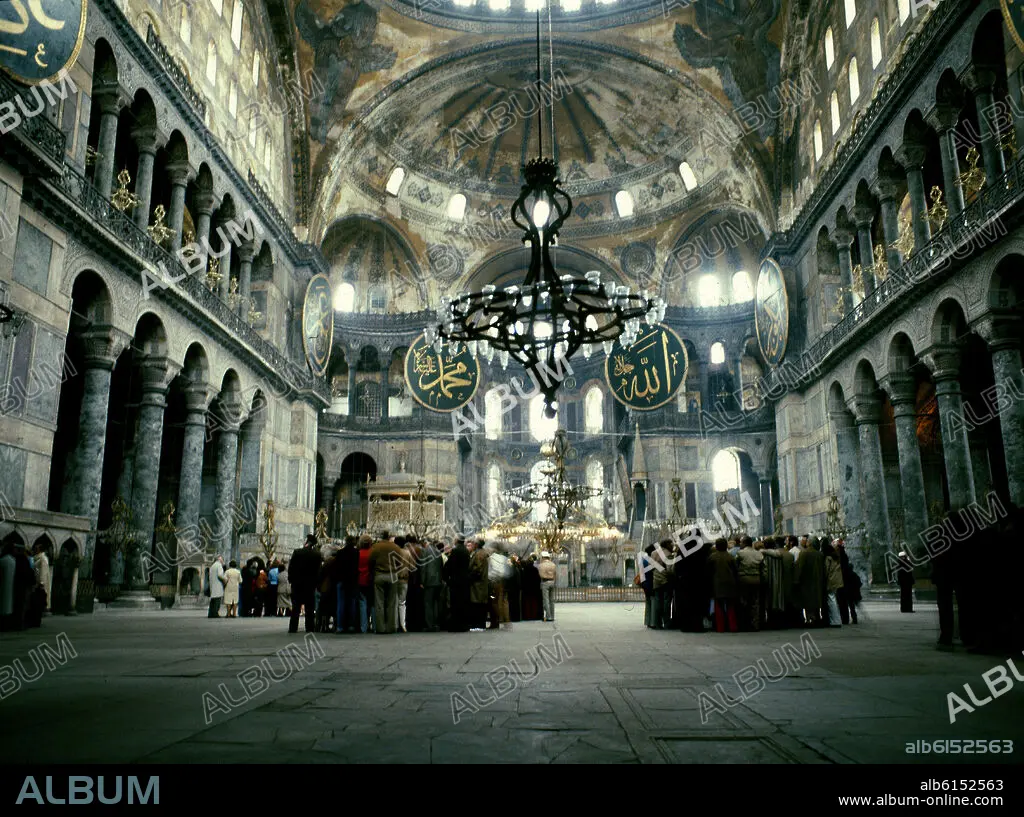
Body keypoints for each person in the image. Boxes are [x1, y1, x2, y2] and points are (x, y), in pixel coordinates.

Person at [369, 531, 407, 634]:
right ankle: (391, 627)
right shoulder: (395, 547)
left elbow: (370, 561)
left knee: (379, 602)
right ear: (389, 537)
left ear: (381, 536)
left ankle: (380, 628)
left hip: (379, 575)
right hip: (392, 575)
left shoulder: (376, 547)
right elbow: (400, 562)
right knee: (392, 602)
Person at [288, 534, 323, 634]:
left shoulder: (297, 552)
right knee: (309, 607)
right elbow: (318, 571)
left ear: (307, 541)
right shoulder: (317, 555)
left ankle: (293, 627)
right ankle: (310, 627)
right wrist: (317, 583)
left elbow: (291, 568)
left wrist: (291, 580)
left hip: (297, 583)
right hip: (310, 584)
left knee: (296, 607)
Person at [706, 538, 739, 633]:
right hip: (730, 583)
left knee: (718, 606)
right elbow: (735, 571)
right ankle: (732, 626)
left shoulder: (712, 557)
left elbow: (708, 572)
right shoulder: (730, 556)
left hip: (717, 584)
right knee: (730, 606)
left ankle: (720, 627)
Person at [735, 536, 764, 631]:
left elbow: (736, 566)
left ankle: (744, 624)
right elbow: (763, 568)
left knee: (744, 601)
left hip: (744, 579)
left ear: (744, 543)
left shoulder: (740, 553)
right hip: (756, 579)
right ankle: (755, 624)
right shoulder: (758, 553)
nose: (740, 544)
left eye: (741, 542)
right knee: (755, 602)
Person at [794, 537, 824, 626]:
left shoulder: (804, 553)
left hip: (806, 581)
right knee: (816, 600)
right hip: (818, 580)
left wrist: (796, 580)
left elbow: (800, 567)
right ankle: (817, 617)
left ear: (809, 543)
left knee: (807, 601)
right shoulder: (820, 554)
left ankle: (809, 619)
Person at [444, 535, 471, 632]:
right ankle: (464, 625)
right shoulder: (466, 551)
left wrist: (445, 576)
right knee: (463, 603)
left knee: (455, 603)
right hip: (464, 580)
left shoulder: (456, 551)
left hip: (456, 580)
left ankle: (456, 625)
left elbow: (450, 565)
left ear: (456, 540)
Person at [336, 536, 360, 633]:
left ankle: (340, 626)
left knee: (341, 603)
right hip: (352, 580)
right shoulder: (356, 553)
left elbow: (337, 567)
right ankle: (351, 625)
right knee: (352, 603)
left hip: (342, 579)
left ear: (345, 542)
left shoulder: (340, 552)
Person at [468, 539, 492, 631]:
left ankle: (477, 625)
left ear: (477, 545)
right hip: (482, 583)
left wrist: (470, 577)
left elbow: (477, 569)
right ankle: (481, 624)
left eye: (474, 543)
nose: (473, 545)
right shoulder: (483, 553)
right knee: (481, 604)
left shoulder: (478, 554)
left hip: (477, 584)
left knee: (477, 605)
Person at [420, 539, 443, 632]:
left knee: (428, 603)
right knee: (435, 603)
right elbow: (441, 567)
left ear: (427, 543)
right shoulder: (438, 552)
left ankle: (429, 625)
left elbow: (423, 567)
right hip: (438, 581)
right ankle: (436, 623)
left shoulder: (425, 551)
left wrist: (422, 581)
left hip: (429, 581)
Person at [836, 540, 861, 625]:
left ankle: (845, 619)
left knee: (843, 602)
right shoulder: (845, 558)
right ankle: (853, 617)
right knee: (850, 603)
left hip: (843, 582)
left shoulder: (839, 558)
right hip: (848, 583)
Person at [487, 543, 511, 629]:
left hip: (495, 582)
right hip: (504, 581)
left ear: (494, 549)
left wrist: (489, 578)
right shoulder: (504, 558)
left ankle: (497, 620)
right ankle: (506, 621)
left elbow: (491, 571)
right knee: (504, 601)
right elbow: (508, 571)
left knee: (495, 602)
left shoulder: (491, 558)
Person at [650, 542, 674, 629]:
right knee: (666, 601)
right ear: (667, 545)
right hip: (665, 580)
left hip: (656, 579)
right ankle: (666, 622)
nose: (672, 546)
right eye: (671, 544)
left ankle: (657, 623)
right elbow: (670, 570)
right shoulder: (668, 554)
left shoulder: (653, 553)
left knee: (657, 601)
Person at [822, 539, 844, 627]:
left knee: (831, 600)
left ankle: (835, 621)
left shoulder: (828, 558)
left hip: (831, 581)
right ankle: (837, 620)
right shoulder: (836, 557)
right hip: (837, 581)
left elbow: (826, 570)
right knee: (834, 599)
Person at [356, 534, 374, 633]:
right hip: (370, 580)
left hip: (360, 580)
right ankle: (374, 626)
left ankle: (364, 627)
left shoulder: (358, 554)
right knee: (372, 604)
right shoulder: (372, 553)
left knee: (362, 604)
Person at [394, 536, 412, 633]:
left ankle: (395, 624)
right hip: (404, 579)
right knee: (402, 603)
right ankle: (403, 625)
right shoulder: (407, 553)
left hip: (394, 579)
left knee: (394, 602)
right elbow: (410, 566)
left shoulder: (393, 552)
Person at [520, 553, 543, 621]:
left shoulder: (524, 570)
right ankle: (533, 615)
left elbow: (523, 579)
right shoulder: (535, 570)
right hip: (534, 589)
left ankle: (527, 615)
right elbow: (538, 580)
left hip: (526, 589)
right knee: (533, 603)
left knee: (527, 603)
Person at [537, 550, 557, 623]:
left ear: (542, 557)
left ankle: (548, 616)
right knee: (552, 600)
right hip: (552, 581)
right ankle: (552, 616)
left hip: (545, 582)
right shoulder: (553, 564)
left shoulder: (541, 565)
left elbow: (540, 575)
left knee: (546, 600)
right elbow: (555, 574)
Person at [638, 544, 656, 628]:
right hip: (651, 582)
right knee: (653, 602)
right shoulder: (651, 561)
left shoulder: (643, 560)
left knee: (648, 602)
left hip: (645, 583)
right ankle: (653, 622)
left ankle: (647, 621)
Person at [33, 543, 51, 613]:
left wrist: (41, 582)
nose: (35, 550)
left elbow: (44, 571)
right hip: (35, 580)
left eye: (37, 548)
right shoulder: (36, 557)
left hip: (40, 582)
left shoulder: (43, 558)